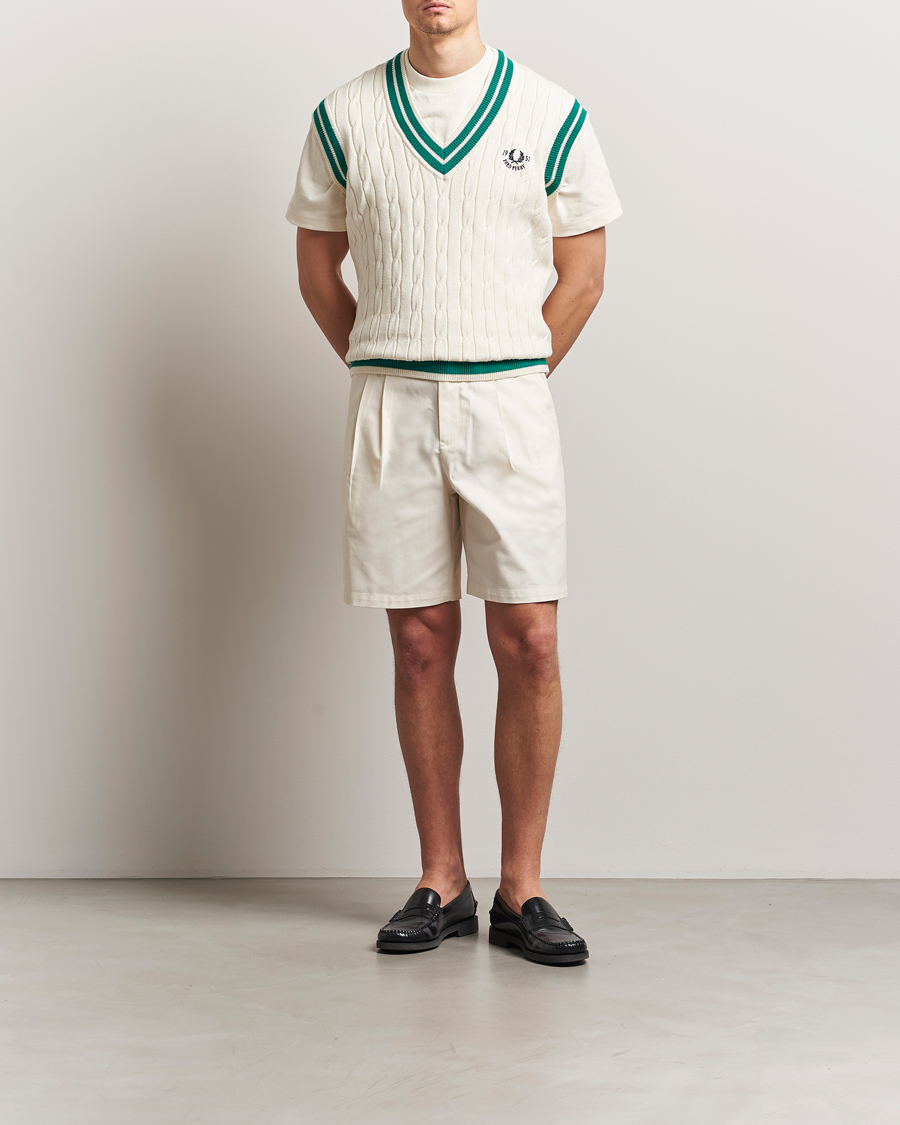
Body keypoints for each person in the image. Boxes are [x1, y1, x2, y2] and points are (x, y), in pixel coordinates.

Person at [286, 0, 622, 965]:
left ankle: (524, 887)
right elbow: (317, 270)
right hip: (392, 402)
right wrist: (382, 363)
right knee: (421, 641)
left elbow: (584, 270)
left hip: (509, 403)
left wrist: (514, 369)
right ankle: (443, 878)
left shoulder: (549, 112)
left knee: (532, 641)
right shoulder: (344, 116)